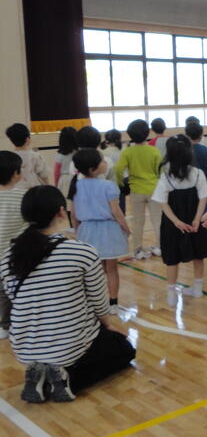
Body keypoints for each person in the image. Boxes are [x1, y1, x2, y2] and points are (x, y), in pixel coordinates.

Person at [0, 186, 135, 402]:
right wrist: (107, 324)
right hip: (68, 346)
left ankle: (40, 372)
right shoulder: (81, 252)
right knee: (125, 349)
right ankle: (67, 379)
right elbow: (99, 302)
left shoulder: (8, 256)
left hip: (24, 347)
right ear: (62, 212)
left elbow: (15, 299)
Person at [151, 135, 207, 307]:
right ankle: (198, 288)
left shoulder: (166, 176)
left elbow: (162, 203)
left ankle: (171, 294)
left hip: (173, 223)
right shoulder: (198, 173)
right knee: (198, 253)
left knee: (172, 257)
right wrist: (197, 219)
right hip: (195, 221)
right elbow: (203, 198)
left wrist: (176, 222)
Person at [69, 149, 130, 314]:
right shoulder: (108, 185)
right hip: (108, 229)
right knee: (111, 269)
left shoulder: (76, 185)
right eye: (102, 161)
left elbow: (74, 214)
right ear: (93, 168)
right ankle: (113, 303)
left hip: (86, 230)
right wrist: (126, 228)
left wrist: (77, 231)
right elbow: (117, 212)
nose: (105, 163)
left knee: (92, 270)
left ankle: (95, 302)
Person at [115, 120, 162, 261]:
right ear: (147, 133)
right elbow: (160, 171)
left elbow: (118, 169)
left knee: (138, 222)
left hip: (136, 190)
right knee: (157, 220)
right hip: (153, 189)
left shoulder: (128, 152)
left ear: (130, 135)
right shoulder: (154, 151)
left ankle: (138, 250)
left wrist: (120, 183)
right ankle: (160, 247)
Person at [0, 152, 26, 339]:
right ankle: (20, 322)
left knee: (2, 292)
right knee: (18, 290)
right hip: (16, 254)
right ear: (16, 173)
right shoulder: (23, 196)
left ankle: (4, 325)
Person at [4, 123, 49, 190]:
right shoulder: (35, 156)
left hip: (15, 190)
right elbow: (44, 175)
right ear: (27, 139)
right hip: (33, 191)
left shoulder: (9, 157)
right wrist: (48, 188)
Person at [53, 127, 78, 199]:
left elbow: (56, 172)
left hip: (64, 180)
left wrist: (56, 184)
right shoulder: (79, 153)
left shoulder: (60, 154)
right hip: (77, 179)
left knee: (65, 200)